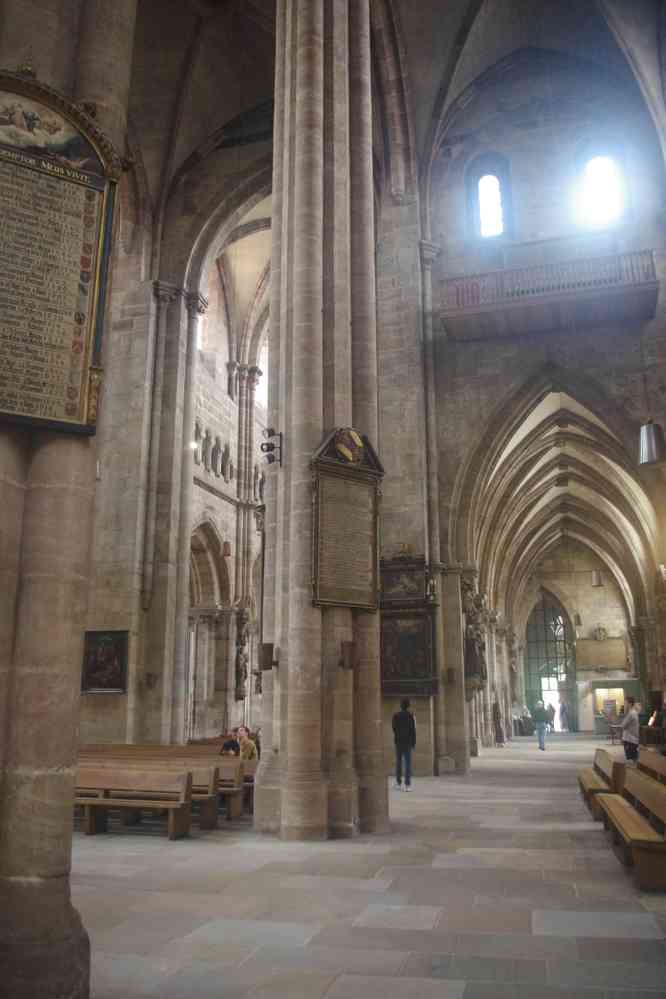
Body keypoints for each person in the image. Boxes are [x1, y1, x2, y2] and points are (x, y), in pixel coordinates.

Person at [392, 698, 416, 791]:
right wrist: (413, 742)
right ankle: (407, 785)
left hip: (398, 741)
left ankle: (398, 783)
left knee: (398, 762)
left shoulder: (396, 716)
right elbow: (413, 730)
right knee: (408, 763)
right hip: (408, 742)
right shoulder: (411, 716)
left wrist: (398, 736)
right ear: (408, 706)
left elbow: (393, 728)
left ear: (401, 706)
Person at [620, 696, 639, 763]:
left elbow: (623, 725)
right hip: (631, 738)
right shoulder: (632, 712)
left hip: (630, 739)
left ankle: (636, 770)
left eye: (625, 703)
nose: (624, 704)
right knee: (633, 756)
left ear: (630, 704)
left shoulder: (631, 713)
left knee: (633, 757)